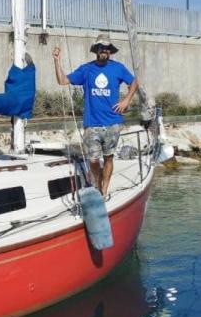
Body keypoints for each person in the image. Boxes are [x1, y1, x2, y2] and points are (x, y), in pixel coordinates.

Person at [53, 34, 138, 196]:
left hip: (113, 122)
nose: (104, 50)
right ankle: (98, 183)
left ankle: (104, 189)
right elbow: (62, 80)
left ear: (110, 51)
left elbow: (134, 81)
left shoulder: (118, 68)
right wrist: (57, 61)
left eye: (107, 48)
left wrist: (127, 100)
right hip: (92, 124)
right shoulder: (86, 69)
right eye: (101, 47)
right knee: (93, 160)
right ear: (96, 50)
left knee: (108, 158)